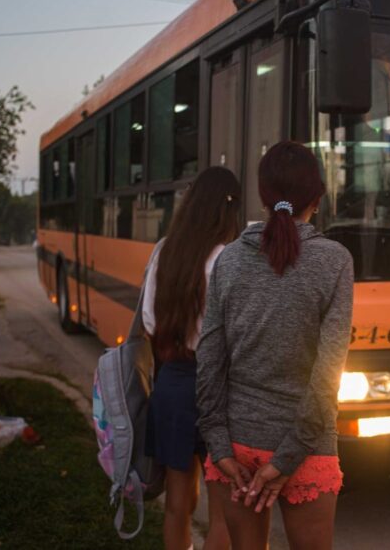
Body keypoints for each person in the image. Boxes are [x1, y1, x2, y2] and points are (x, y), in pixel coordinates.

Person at [197, 142, 354, 550]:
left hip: (237, 447)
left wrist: (218, 446)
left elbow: (210, 359)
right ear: (317, 199)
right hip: (308, 447)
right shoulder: (335, 261)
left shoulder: (229, 260)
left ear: (263, 198)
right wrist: (287, 459)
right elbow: (328, 373)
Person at [141, 166, 240, 550]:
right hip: (216, 389)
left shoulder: (165, 250)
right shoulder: (227, 259)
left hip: (172, 384)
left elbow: (149, 319)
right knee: (222, 510)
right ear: (227, 209)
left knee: (177, 505)